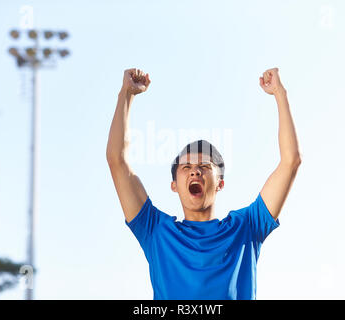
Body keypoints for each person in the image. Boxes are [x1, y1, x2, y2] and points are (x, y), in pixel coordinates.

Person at [106, 67, 301, 299]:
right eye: (186, 168)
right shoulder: (156, 231)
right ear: (174, 185)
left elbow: (290, 161)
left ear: (220, 183)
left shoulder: (246, 227)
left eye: (205, 167)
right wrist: (125, 95)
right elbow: (117, 161)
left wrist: (280, 94)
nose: (195, 172)